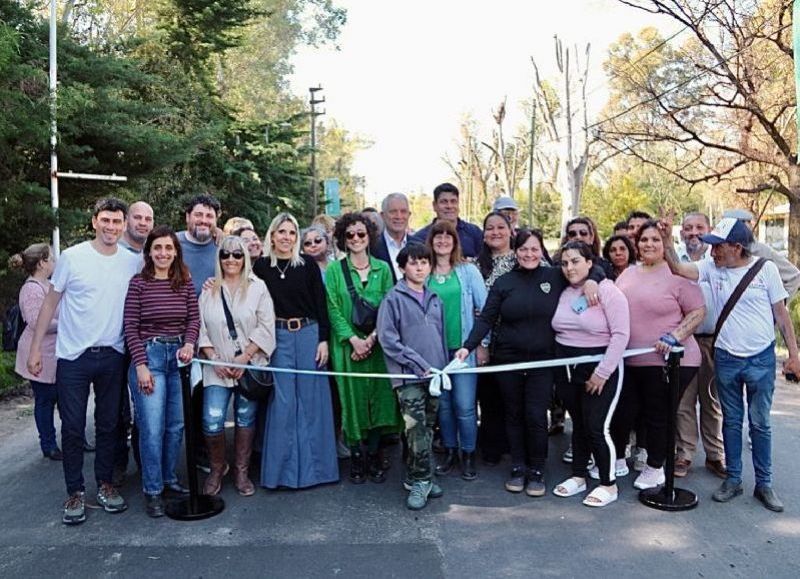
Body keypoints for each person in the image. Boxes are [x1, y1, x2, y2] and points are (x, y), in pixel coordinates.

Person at [664, 217, 800, 512]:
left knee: (760, 423)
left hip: (761, 360)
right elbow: (678, 268)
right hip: (726, 357)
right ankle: (733, 479)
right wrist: (665, 240)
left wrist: (794, 355)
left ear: (736, 247)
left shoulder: (766, 270)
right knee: (732, 420)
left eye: (718, 247)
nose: (712, 252)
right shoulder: (712, 267)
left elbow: (781, 315)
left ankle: (764, 484)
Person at [456, 229, 602, 497]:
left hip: (543, 362)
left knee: (535, 415)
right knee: (513, 414)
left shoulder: (554, 275)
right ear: (515, 252)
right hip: (508, 360)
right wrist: (469, 345)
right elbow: (487, 318)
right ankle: (518, 466)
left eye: (534, 249)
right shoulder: (504, 282)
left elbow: (591, 269)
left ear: (541, 251)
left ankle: (537, 469)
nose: (529, 254)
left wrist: (593, 280)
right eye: (523, 249)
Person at [27, 198, 141, 525]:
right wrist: (36, 350)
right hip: (73, 357)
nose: (111, 226)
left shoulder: (132, 262)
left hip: (113, 355)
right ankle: (75, 492)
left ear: (124, 225)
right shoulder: (72, 257)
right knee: (74, 427)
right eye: (105, 220)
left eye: (117, 221)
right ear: (94, 221)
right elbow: (50, 304)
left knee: (109, 425)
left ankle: (105, 484)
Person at [612, 220, 705, 491]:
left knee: (658, 413)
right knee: (624, 410)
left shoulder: (678, 274)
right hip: (631, 360)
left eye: (655, 239)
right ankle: (619, 457)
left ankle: (655, 467)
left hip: (671, 361)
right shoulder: (627, 274)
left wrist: (675, 336)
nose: (649, 244)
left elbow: (698, 311)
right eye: (644, 240)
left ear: (665, 243)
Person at [253, 213, 339, 489]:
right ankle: (282, 475)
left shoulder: (307, 265)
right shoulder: (261, 267)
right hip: (277, 337)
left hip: (309, 334)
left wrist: (323, 339)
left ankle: (319, 472)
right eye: (282, 232)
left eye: (292, 233)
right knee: (284, 402)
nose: (287, 237)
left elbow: (321, 305)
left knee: (313, 401)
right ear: (272, 235)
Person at [123, 226, 199, 516]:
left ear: (176, 252)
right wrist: (141, 365)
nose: (163, 253)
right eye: (158, 248)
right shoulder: (138, 284)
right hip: (150, 357)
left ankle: (169, 479)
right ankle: (153, 490)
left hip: (178, 358)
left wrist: (189, 343)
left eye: (169, 248)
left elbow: (194, 319)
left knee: (176, 425)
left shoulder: (184, 282)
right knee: (152, 429)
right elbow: (130, 326)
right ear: (149, 252)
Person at [551, 241, 630, 507]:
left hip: (599, 368)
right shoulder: (563, 290)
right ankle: (579, 476)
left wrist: (603, 372)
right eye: (564, 263)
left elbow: (621, 335)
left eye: (575, 261)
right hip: (566, 369)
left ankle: (608, 483)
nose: (569, 268)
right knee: (579, 424)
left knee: (597, 426)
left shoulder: (608, 291)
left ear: (589, 263)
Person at [326, 212, 401, 484]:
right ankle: (357, 455)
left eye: (361, 234)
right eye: (350, 235)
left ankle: (376, 452)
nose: (356, 239)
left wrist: (373, 337)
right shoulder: (335, 271)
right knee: (353, 399)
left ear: (369, 237)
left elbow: (390, 305)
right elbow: (333, 308)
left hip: (378, 344)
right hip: (347, 346)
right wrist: (354, 340)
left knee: (380, 397)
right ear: (343, 239)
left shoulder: (383, 269)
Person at [198, 236, 276, 496]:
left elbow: (266, 325)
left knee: (245, 417)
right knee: (212, 419)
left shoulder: (258, 287)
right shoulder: (209, 289)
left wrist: (246, 357)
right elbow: (199, 327)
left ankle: (242, 471)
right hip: (216, 367)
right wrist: (212, 356)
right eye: (225, 254)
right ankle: (217, 468)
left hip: (249, 364)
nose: (231, 259)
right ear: (219, 258)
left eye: (237, 254)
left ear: (244, 257)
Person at [377, 243, 448, 510]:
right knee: (415, 429)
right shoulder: (393, 299)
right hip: (407, 378)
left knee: (427, 428)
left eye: (424, 262)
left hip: (434, 376)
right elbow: (388, 340)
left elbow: (440, 338)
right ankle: (421, 480)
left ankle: (418, 475)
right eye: (414, 263)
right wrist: (417, 363)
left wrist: (442, 367)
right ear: (403, 267)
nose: (419, 267)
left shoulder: (435, 298)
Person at [425, 220, 487, 480]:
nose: (442, 241)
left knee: (465, 406)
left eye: (447, 237)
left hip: (463, 350)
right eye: (437, 237)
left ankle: (468, 453)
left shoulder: (468, 271)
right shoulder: (424, 271)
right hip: (434, 351)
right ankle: (450, 451)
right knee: (444, 406)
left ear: (454, 241)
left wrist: (482, 345)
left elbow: (485, 310)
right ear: (431, 242)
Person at [672, 212, 725, 479]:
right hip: (685, 340)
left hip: (714, 340)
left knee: (711, 400)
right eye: (688, 228)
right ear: (681, 232)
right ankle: (684, 453)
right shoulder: (674, 259)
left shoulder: (720, 258)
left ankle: (715, 455)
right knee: (684, 400)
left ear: (709, 229)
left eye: (699, 228)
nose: (693, 233)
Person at [178, 194, 221, 474]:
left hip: (214, 335)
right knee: (184, 398)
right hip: (179, 333)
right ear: (187, 217)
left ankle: (203, 454)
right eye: (198, 215)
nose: (203, 221)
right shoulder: (173, 244)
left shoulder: (222, 247)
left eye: (209, 216)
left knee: (206, 395)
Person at [11, 244, 61, 460]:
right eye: (52, 258)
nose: (55, 262)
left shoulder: (49, 284)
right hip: (39, 353)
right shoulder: (31, 289)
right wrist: (68, 324)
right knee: (45, 400)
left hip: (54, 353)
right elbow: (35, 321)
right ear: (42, 263)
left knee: (64, 399)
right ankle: (48, 444)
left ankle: (73, 440)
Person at [474, 211, 516, 464]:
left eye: (501, 227)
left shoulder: (524, 258)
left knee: (512, 397)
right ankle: (491, 447)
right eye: (490, 228)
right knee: (488, 397)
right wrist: (481, 343)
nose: (496, 232)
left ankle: (514, 446)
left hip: (514, 338)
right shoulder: (473, 265)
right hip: (483, 340)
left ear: (511, 231)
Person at [412, 183, 483, 258]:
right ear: (434, 206)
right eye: (444, 202)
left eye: (453, 201)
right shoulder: (420, 238)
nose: (449, 206)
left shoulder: (474, 233)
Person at [374, 192, 411, 282]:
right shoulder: (372, 247)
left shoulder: (420, 245)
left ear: (409, 215)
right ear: (382, 216)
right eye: (393, 212)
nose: (399, 216)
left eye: (403, 211)